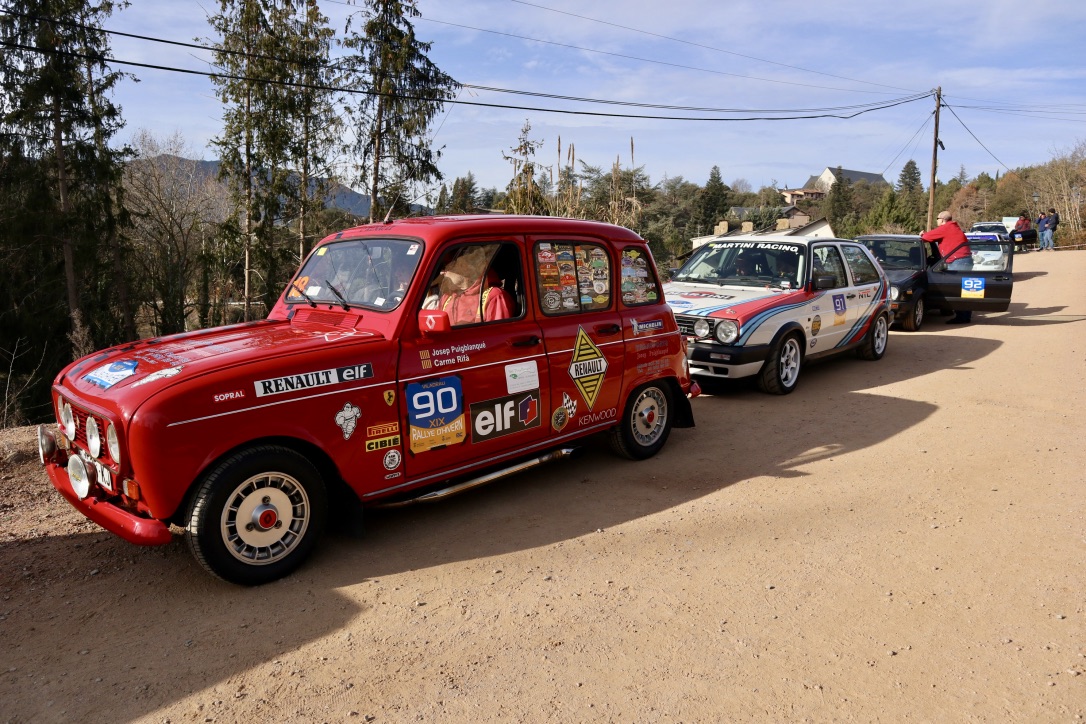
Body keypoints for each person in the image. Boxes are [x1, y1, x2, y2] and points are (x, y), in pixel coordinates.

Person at [921, 210, 973, 324]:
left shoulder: (946, 228)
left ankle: (962, 317)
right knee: (964, 289)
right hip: (964, 260)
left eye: (937, 219)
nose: (937, 221)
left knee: (957, 289)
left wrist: (923, 234)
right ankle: (965, 315)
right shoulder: (953, 227)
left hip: (958, 261)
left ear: (943, 220)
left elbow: (926, 237)